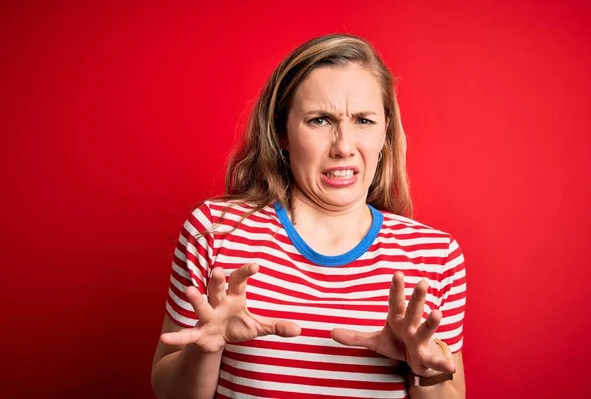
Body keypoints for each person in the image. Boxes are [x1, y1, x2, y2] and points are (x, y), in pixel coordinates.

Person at [151, 33, 467, 399]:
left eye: (363, 121)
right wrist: (205, 351)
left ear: (386, 132)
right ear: (282, 131)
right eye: (319, 120)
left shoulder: (434, 254)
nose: (344, 146)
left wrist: (423, 368)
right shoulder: (215, 230)